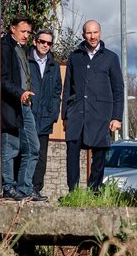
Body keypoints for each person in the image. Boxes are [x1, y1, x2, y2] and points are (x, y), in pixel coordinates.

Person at [61, 20, 123, 193]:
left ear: (100, 33)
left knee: (99, 155)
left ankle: (93, 191)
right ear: (83, 35)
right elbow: (67, 88)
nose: (92, 36)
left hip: (101, 115)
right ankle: (73, 192)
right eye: (89, 33)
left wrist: (117, 117)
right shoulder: (75, 57)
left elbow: (118, 89)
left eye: (95, 32)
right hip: (76, 114)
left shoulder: (111, 58)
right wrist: (65, 115)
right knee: (72, 153)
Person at [0, 15, 40, 200]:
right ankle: (8, 186)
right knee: (10, 146)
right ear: (12, 28)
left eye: (28, 32)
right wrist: (20, 93)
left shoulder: (23, 49)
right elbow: (4, 78)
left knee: (33, 147)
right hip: (12, 103)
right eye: (22, 31)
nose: (26, 35)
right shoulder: (5, 47)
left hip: (25, 104)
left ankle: (25, 187)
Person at [28, 28, 61, 200]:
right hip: (28, 115)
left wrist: (53, 114)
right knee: (26, 151)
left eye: (49, 43)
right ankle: (23, 188)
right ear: (35, 41)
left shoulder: (54, 65)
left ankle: (36, 189)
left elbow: (57, 92)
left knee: (41, 156)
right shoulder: (27, 60)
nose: (45, 45)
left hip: (45, 118)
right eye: (42, 41)